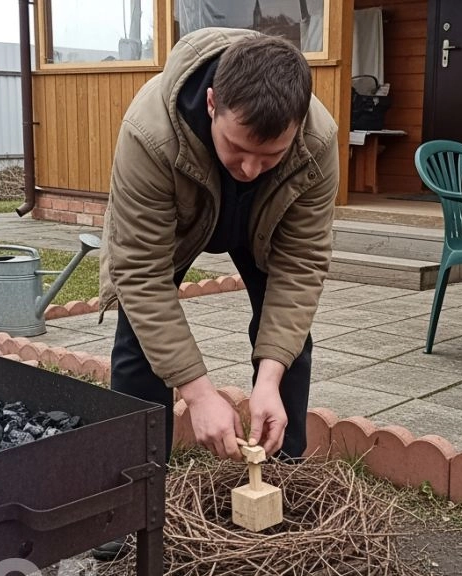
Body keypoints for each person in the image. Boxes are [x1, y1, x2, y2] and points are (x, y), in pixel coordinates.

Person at [97, 27, 338, 472]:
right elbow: (141, 273)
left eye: (270, 156)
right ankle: (132, 495)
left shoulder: (316, 141)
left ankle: (284, 477)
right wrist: (199, 393)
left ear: (298, 125)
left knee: (289, 343)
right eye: (238, 147)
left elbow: (301, 266)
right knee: (139, 342)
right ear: (212, 103)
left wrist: (270, 378)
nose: (250, 168)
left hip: (263, 222)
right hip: (179, 219)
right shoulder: (149, 133)